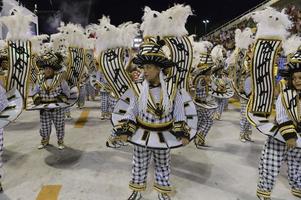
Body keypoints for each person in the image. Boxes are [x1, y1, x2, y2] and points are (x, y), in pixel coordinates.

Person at [111, 40, 192, 200]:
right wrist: (126, 130)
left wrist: (182, 133)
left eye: (148, 67)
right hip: (142, 133)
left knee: (163, 164)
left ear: (158, 68)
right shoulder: (138, 87)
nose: (144, 71)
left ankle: (162, 192)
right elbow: (132, 109)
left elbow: (179, 110)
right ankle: (137, 191)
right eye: (143, 67)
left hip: (164, 135)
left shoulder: (172, 88)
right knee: (139, 163)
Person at [256, 48, 301, 200]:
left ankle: (297, 186)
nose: (297, 81)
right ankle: (264, 191)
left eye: (300, 77)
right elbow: (281, 116)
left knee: (298, 163)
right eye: (294, 78)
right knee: (271, 164)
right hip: (281, 136)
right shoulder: (285, 94)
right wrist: (290, 136)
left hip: (299, 138)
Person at [31, 52, 70, 150]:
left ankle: (60, 141)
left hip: (57, 109)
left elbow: (67, 92)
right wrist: (36, 98)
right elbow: (34, 92)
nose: (47, 70)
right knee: (44, 127)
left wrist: (61, 98)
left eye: (49, 69)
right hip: (44, 109)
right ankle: (45, 141)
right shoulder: (39, 80)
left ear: (53, 70)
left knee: (60, 126)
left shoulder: (60, 80)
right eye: (45, 69)